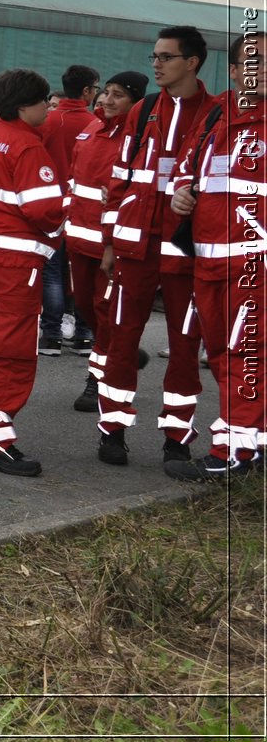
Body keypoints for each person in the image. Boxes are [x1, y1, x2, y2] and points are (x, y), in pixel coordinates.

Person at [96, 26, 215, 467]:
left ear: (192, 62)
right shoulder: (143, 110)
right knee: (121, 339)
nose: (157, 65)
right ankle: (111, 430)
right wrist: (110, 242)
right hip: (136, 248)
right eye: (154, 57)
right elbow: (119, 180)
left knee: (185, 345)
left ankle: (177, 436)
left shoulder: (215, 114)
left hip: (185, 250)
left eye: (166, 57)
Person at [167, 31, 265, 479]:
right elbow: (184, 172)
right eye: (252, 60)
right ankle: (252, 446)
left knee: (246, 355)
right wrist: (181, 194)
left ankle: (235, 455)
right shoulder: (212, 116)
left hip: (253, 265)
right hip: (208, 263)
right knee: (224, 355)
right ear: (231, 71)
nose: (260, 68)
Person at [0, 69, 67, 476]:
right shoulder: (26, 146)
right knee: (12, 350)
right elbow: (43, 211)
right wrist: (67, 213)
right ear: (25, 106)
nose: (48, 107)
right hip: (15, 263)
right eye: (44, 100)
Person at [63, 70, 145, 412]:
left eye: (118, 95)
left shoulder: (138, 139)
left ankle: (97, 381)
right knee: (83, 304)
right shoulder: (91, 130)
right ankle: (120, 351)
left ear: (136, 101)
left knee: (105, 310)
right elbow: (74, 180)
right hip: (78, 241)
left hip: (111, 247)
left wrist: (113, 242)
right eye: (106, 92)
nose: (108, 100)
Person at [37, 63, 101, 355]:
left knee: (51, 271)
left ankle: (51, 336)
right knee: (81, 273)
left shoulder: (47, 122)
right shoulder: (96, 124)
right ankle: (85, 335)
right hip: (83, 209)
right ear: (87, 91)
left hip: (49, 205)